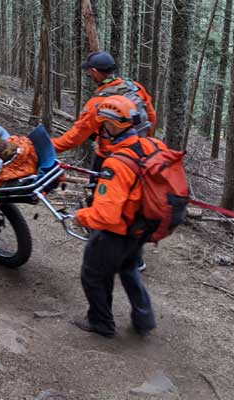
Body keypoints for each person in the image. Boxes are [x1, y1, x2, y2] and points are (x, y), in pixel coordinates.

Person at [52, 50, 156, 272]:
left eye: (89, 72)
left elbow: (75, 137)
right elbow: (152, 117)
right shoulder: (134, 87)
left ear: (94, 72)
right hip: (139, 154)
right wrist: (143, 144)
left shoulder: (98, 103)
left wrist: (49, 147)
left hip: (110, 159)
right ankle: (136, 257)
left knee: (102, 202)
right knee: (132, 204)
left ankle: (108, 250)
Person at [71, 95, 160, 338]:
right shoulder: (151, 146)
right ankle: (144, 318)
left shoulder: (116, 164)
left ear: (112, 126)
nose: (101, 130)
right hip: (141, 227)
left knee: (93, 273)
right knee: (128, 267)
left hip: (117, 232)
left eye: (104, 125)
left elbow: (106, 215)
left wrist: (82, 216)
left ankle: (101, 323)